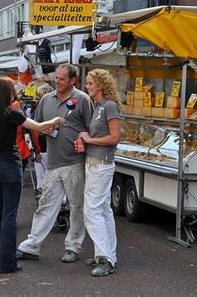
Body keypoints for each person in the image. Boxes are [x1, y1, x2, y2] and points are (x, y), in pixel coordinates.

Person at [0, 76, 64, 274]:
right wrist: (56, 120)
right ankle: (8, 263)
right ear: (5, 93)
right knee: (9, 214)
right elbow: (39, 127)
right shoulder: (13, 113)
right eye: (11, 90)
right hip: (10, 163)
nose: (14, 94)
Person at [17, 64, 94, 263]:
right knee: (45, 204)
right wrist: (44, 130)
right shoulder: (46, 99)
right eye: (56, 78)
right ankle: (32, 245)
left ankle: (73, 247)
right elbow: (37, 124)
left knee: (77, 206)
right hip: (53, 161)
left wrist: (84, 144)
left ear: (72, 80)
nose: (57, 82)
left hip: (75, 162)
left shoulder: (82, 100)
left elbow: (91, 129)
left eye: (61, 79)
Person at [77, 69, 122, 277]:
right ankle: (106, 255)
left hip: (101, 164)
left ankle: (105, 257)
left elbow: (114, 138)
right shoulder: (99, 107)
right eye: (87, 83)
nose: (87, 87)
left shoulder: (109, 106)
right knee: (103, 210)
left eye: (90, 83)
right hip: (96, 162)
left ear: (101, 85)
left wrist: (89, 139)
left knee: (92, 211)